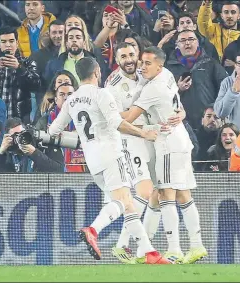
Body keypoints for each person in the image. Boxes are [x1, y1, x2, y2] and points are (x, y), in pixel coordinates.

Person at [48, 57, 169, 264]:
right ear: (97, 72)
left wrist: (84, 140)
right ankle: (93, 229)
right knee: (122, 201)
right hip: (112, 154)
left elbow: (53, 131)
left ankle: (148, 252)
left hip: (92, 161)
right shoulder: (101, 94)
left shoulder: (71, 100)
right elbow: (117, 124)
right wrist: (143, 134)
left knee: (127, 204)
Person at [121, 46, 207, 264]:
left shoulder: (154, 88)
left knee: (165, 195)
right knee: (183, 195)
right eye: (142, 62)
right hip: (180, 140)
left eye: (147, 63)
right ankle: (196, 246)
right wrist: (182, 112)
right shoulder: (168, 75)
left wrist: (105, 112)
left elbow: (129, 117)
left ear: (159, 65)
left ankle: (174, 250)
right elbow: (178, 106)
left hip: (168, 143)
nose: (142, 67)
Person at [107, 42, 181, 263]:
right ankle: (124, 245)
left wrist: (182, 114)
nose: (129, 60)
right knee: (146, 191)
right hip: (131, 139)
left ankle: (140, 248)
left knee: (158, 193)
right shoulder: (113, 85)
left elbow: (174, 100)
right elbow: (114, 120)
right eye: (124, 57)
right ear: (117, 60)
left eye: (132, 55)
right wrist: (140, 132)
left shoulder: (148, 73)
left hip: (153, 137)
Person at [165, 29, 228, 129]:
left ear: (197, 43)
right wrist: (178, 89)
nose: (187, 43)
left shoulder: (211, 63)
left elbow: (225, 88)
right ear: (177, 44)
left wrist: (214, 109)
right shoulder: (169, 67)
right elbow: (163, 96)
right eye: (183, 40)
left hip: (209, 121)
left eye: (191, 39)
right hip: (181, 122)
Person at [0, 26, 41, 124]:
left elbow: (36, 85)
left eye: (11, 41)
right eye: (4, 42)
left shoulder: (27, 62)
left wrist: (19, 68)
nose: (8, 45)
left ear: (17, 43)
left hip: (20, 117)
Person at [0, 117, 64, 173]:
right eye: (16, 135)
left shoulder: (44, 144)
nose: (21, 137)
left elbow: (59, 170)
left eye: (22, 133)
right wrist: (1, 153)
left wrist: (34, 153)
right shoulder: (9, 152)